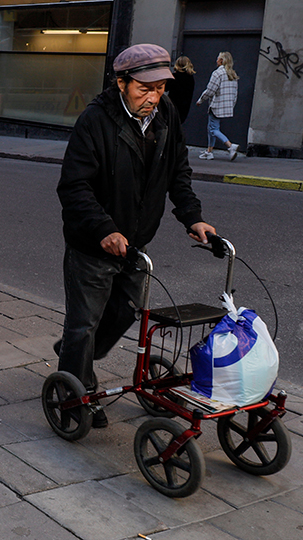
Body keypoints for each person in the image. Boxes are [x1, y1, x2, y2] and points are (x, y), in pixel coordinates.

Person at [55, 43, 216, 428]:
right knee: (85, 322)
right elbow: (73, 187)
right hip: (93, 244)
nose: (154, 97)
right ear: (122, 83)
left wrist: (192, 217)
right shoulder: (95, 121)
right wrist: (104, 228)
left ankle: (74, 352)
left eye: (160, 88)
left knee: (127, 310)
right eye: (145, 88)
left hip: (136, 243)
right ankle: (76, 394)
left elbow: (178, 171)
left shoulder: (167, 115)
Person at [196, 52, 240, 161]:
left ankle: (230, 146)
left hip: (216, 106)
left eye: (218, 59)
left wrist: (201, 100)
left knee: (213, 129)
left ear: (221, 60)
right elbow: (235, 93)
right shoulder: (232, 74)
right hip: (226, 106)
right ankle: (209, 151)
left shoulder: (217, 73)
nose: (216, 61)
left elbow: (210, 90)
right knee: (212, 128)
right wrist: (231, 105)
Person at [167, 56, 196, 121]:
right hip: (184, 109)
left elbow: (165, 88)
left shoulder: (174, 77)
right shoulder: (190, 78)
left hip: (171, 107)